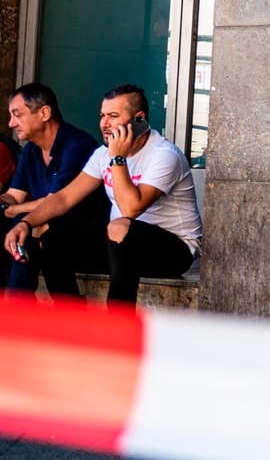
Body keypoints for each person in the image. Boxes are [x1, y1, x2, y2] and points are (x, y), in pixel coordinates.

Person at [5, 85, 201, 303]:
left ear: (139, 120)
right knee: (47, 229)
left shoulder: (164, 155)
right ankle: (70, 313)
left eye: (113, 116)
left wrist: (118, 158)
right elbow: (64, 198)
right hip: (119, 246)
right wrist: (26, 222)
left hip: (172, 252)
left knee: (119, 226)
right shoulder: (102, 154)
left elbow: (130, 209)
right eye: (102, 116)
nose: (104, 124)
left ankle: (117, 322)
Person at [1, 83, 109, 295]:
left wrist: (15, 212)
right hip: (45, 230)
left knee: (35, 226)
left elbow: (57, 202)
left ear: (44, 113)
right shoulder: (32, 149)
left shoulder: (78, 145)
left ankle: (19, 309)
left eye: (17, 115)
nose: (11, 123)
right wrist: (4, 204)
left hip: (85, 238)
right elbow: (14, 196)